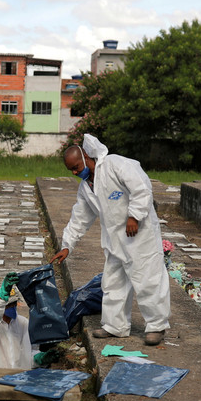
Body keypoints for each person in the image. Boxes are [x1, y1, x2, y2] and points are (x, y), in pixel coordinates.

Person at [49, 134, 171, 346]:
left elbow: (141, 186)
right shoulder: (87, 187)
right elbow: (80, 216)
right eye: (72, 170)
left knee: (148, 279)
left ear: (86, 156)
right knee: (113, 283)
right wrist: (67, 245)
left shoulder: (115, 164)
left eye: (77, 166)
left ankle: (156, 326)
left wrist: (134, 215)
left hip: (139, 235)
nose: (76, 172)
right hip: (114, 240)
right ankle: (116, 326)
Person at [0, 272, 57, 369]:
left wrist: (39, 359)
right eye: (8, 304)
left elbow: (27, 356)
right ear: (1, 305)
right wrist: (0, 297)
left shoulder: (24, 323)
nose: (12, 307)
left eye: (14, 304)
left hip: (18, 378)